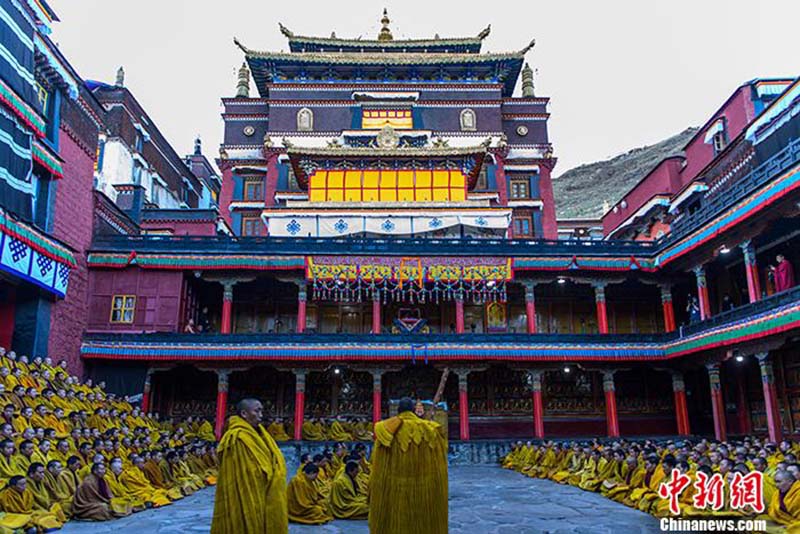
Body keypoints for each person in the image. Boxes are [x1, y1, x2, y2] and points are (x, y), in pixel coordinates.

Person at [369, 396, 447, 534]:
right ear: (413, 410)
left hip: (395, 490)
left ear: (398, 411)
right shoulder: (432, 430)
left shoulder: (386, 431)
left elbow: (377, 468)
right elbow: (441, 467)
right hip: (425, 489)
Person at [211, 398, 287, 534]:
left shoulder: (259, 432)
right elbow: (244, 473)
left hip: (264, 490)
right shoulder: (236, 437)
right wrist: (270, 474)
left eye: (261, 411)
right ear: (244, 414)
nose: (261, 415)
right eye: (257, 411)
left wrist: (275, 473)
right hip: (246, 492)